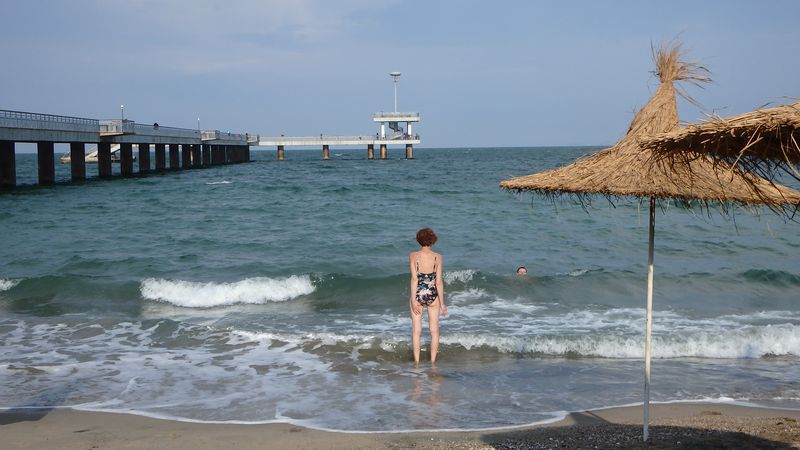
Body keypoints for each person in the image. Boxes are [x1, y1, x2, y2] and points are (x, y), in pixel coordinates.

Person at [409, 228, 447, 365]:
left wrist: (414, 300)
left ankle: (417, 362)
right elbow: (438, 281)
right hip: (433, 294)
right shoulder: (438, 257)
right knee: (434, 330)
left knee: (416, 330)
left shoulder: (413, 256)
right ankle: (432, 362)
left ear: (418, 240)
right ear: (432, 240)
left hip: (418, 293)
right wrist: (442, 303)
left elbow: (414, 279)